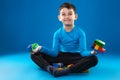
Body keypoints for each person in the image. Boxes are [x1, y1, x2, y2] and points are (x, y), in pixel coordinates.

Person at [30, 2, 98, 77]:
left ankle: (66, 70)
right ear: (59, 17)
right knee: (34, 55)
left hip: (76, 57)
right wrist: (41, 48)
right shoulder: (57, 33)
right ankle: (50, 69)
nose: (67, 17)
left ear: (75, 16)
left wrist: (91, 53)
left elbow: (83, 52)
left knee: (94, 59)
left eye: (70, 14)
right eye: (63, 14)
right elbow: (54, 53)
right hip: (61, 56)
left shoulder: (81, 33)